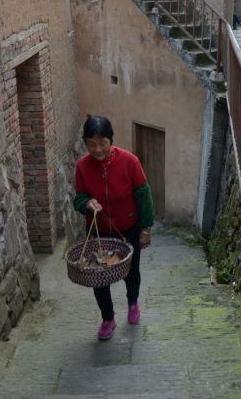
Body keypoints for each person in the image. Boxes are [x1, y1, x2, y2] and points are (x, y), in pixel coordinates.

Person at [73, 115, 154, 341]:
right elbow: (78, 199)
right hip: (99, 231)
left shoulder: (130, 162)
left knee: (131, 272)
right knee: (98, 277)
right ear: (85, 143)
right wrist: (88, 203)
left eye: (102, 143)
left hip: (128, 228)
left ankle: (132, 301)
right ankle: (108, 318)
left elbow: (144, 196)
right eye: (91, 144)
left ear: (111, 140)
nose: (97, 149)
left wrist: (145, 229)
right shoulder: (82, 166)